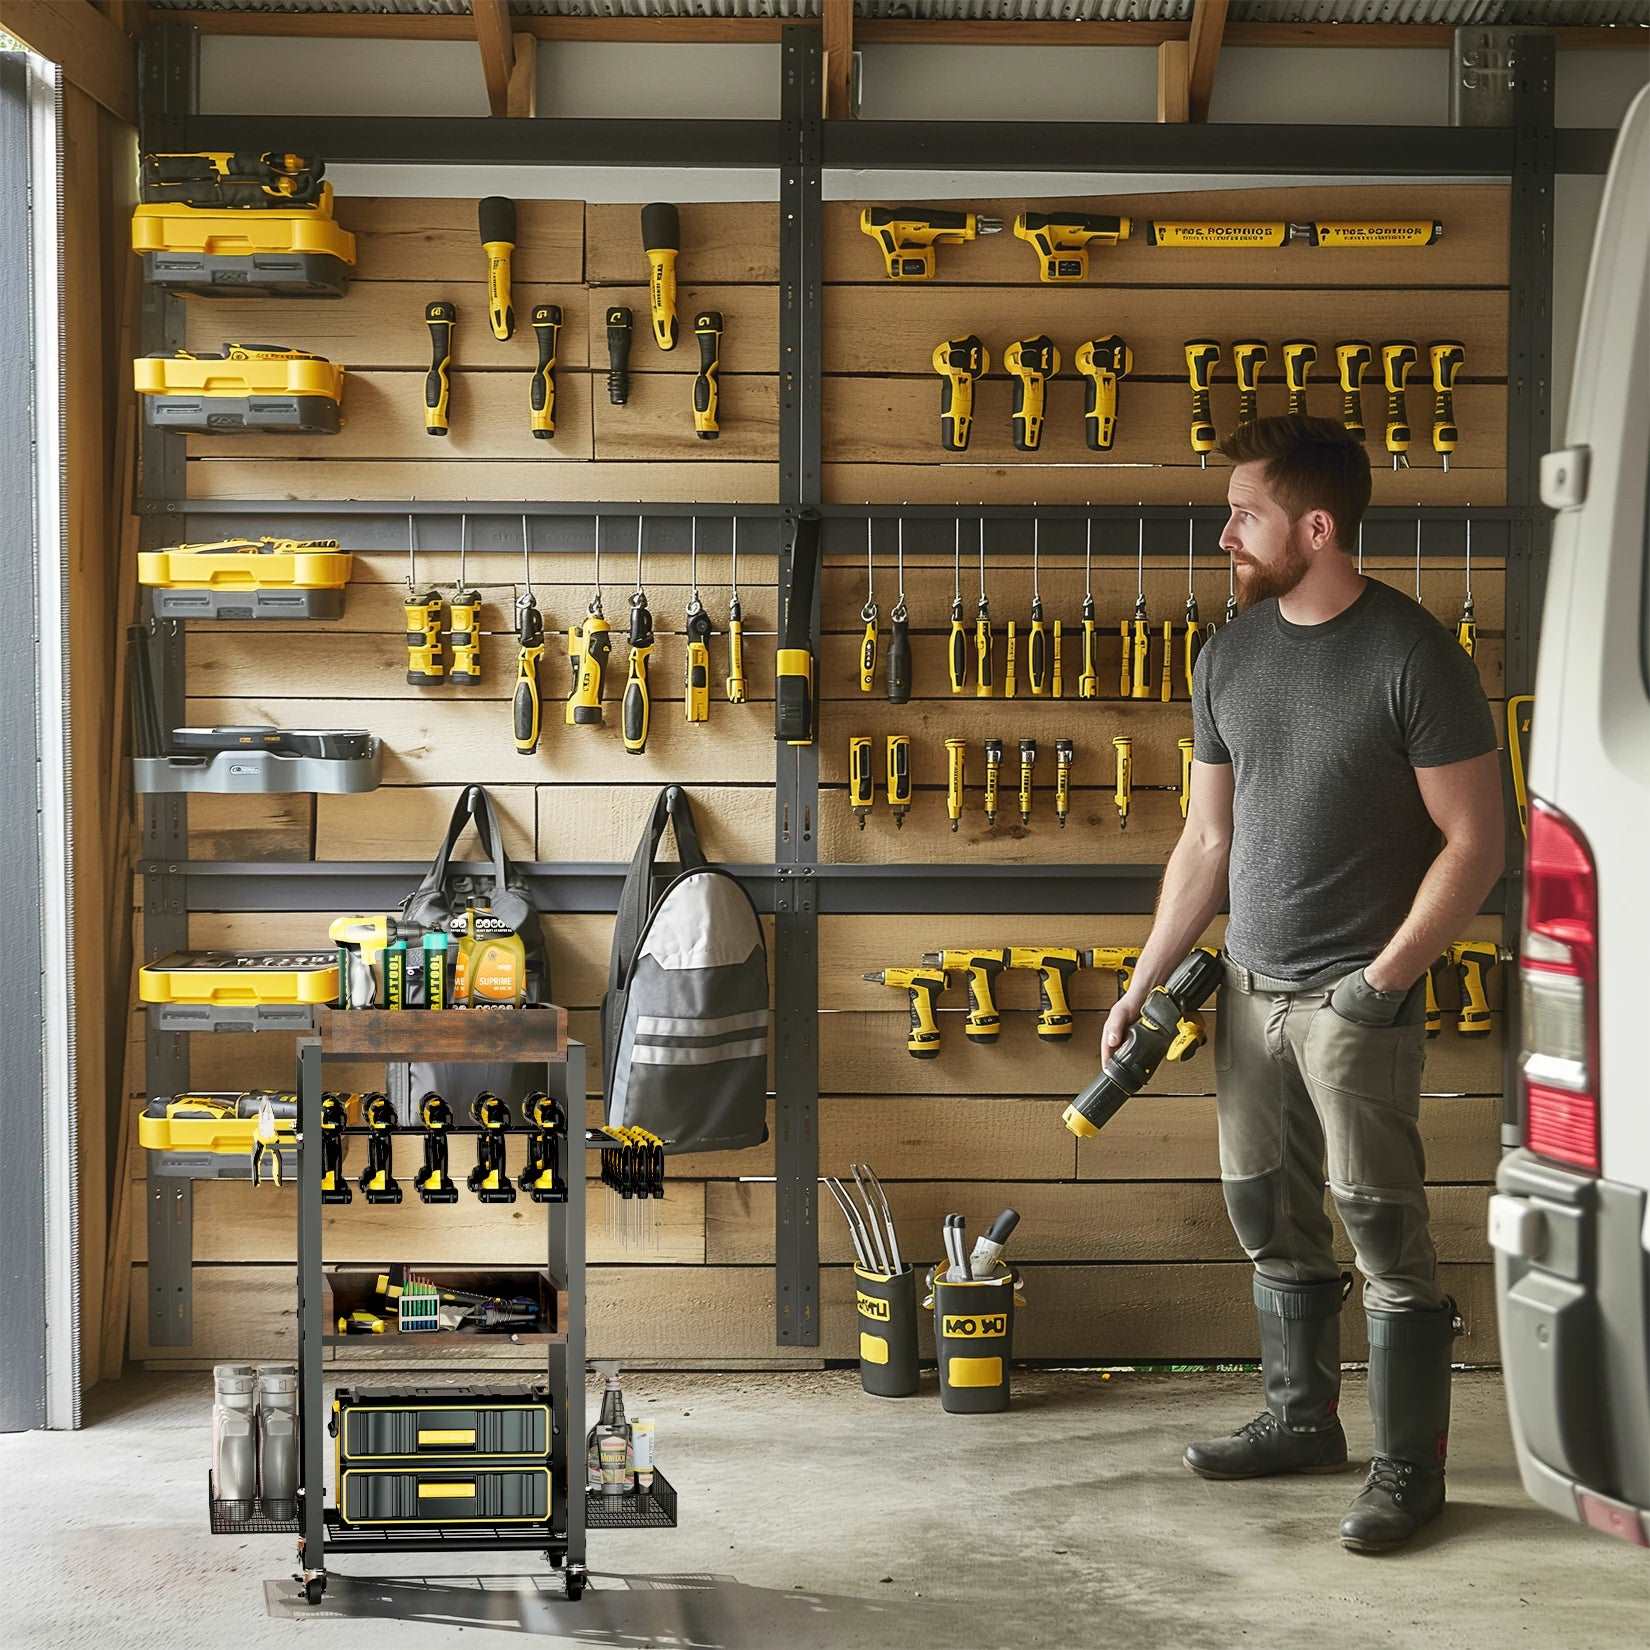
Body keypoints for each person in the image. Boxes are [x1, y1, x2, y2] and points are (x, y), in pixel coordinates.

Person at [1101, 414, 1503, 1552]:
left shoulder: (1415, 656)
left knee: (1382, 1227)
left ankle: (1407, 1472)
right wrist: (1146, 980)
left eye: (1248, 514)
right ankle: (1299, 1420)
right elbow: (1207, 842)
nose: (1225, 531)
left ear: (1316, 527)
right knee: (1267, 1212)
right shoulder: (1227, 656)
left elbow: (1477, 842)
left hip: (1353, 998)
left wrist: (1380, 983)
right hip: (1246, 988)